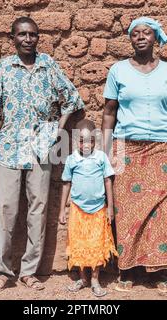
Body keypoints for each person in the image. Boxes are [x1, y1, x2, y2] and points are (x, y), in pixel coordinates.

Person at [0, 17, 85, 292]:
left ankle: (29, 272)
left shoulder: (48, 65)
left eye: (33, 35)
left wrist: (57, 133)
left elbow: (72, 100)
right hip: (9, 148)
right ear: (13, 38)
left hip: (42, 149)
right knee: (6, 209)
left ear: (38, 38)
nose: (28, 39)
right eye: (22, 35)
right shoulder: (4, 67)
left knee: (38, 210)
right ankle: (3, 271)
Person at [102, 17, 167, 293]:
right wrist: (105, 152)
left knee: (164, 212)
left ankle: (160, 272)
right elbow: (108, 113)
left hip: (165, 148)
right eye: (135, 33)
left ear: (156, 39)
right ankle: (127, 269)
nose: (140, 37)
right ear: (130, 39)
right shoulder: (118, 70)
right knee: (127, 211)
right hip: (126, 146)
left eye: (146, 33)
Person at [59, 119, 118, 297]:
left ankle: (94, 279)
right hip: (78, 210)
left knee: (96, 244)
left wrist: (110, 207)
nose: (86, 144)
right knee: (79, 244)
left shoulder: (101, 158)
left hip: (99, 208)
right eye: (82, 140)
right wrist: (62, 209)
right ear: (75, 140)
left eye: (90, 140)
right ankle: (83, 278)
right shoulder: (71, 160)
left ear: (96, 141)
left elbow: (108, 181)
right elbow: (66, 184)